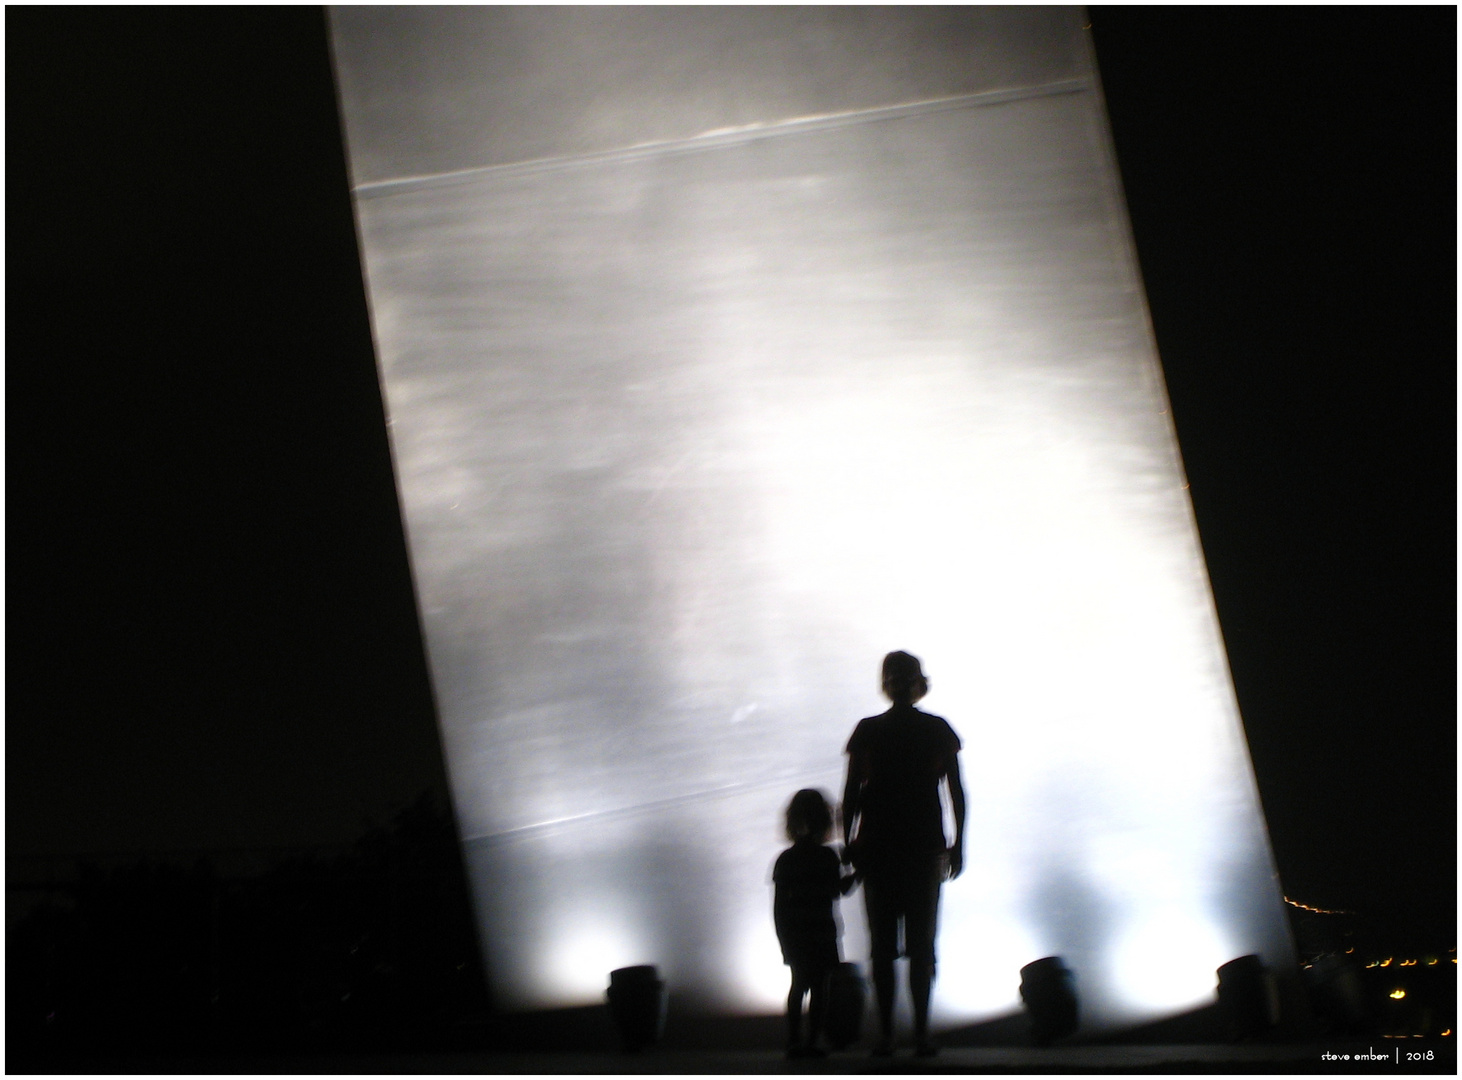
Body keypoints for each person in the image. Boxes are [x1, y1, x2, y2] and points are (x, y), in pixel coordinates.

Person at [842, 650, 965, 1057]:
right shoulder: (935, 730)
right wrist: (957, 842)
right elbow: (955, 792)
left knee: (888, 947)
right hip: (919, 847)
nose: (895, 682)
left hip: (883, 848)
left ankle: (892, 1035)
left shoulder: (869, 731)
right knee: (918, 946)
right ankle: (917, 1032)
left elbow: (852, 792)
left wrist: (849, 842)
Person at [773, 788, 857, 1058]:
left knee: (799, 985)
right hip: (822, 930)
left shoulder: (786, 859)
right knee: (821, 987)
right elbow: (838, 890)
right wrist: (859, 869)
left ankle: (794, 1040)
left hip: (797, 931)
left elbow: (779, 906)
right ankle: (811, 1041)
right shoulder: (827, 857)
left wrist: (783, 938)